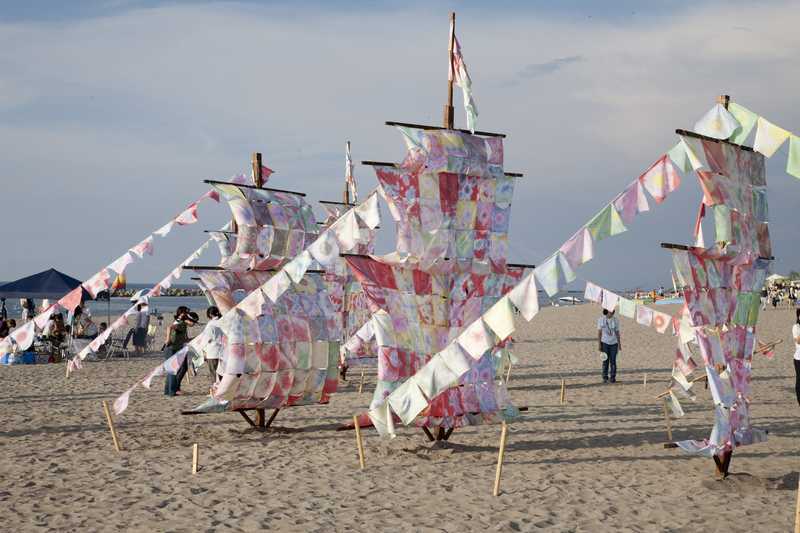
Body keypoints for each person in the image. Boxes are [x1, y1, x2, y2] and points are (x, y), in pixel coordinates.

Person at [163, 306, 196, 396]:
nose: (188, 315)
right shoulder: (180, 322)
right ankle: (172, 391)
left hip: (177, 348)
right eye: (186, 313)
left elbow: (184, 339)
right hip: (171, 348)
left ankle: (169, 391)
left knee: (173, 370)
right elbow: (169, 327)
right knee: (172, 370)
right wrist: (167, 339)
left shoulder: (183, 324)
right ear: (182, 313)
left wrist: (195, 338)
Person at [597, 308, 621, 383]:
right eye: (610, 311)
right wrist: (599, 344)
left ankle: (613, 377)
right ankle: (605, 377)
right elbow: (599, 333)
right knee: (605, 361)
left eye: (613, 311)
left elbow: (617, 332)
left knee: (613, 361)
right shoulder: (601, 320)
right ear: (606, 311)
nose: (612, 313)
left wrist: (619, 344)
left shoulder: (616, 320)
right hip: (604, 343)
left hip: (614, 343)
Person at [202, 306, 223, 384]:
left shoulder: (211, 325)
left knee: (214, 372)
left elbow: (207, 339)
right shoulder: (223, 321)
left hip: (212, 351)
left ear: (210, 314)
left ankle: (216, 389)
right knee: (221, 372)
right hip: (222, 350)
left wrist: (204, 350)